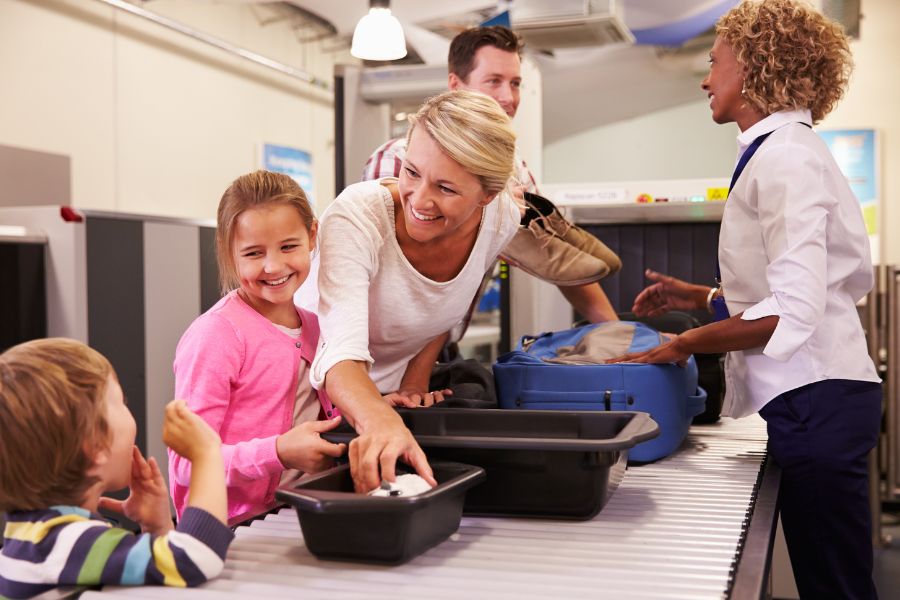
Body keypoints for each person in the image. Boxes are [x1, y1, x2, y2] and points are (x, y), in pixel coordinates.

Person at [611, 1, 881, 598]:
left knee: (834, 587)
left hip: (819, 398)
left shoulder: (786, 156)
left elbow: (794, 308)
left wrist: (684, 342)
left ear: (755, 66)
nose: (705, 78)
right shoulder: (778, 150)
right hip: (820, 398)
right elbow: (790, 291)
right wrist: (704, 296)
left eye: (713, 62)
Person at [302, 90, 524, 493]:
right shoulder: (358, 218)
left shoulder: (502, 217)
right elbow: (340, 357)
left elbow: (445, 302)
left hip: (384, 408)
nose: (419, 200)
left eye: (446, 188)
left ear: (487, 196)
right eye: (411, 172)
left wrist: (415, 382)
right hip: (308, 406)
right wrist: (381, 421)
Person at [363, 25, 620, 322]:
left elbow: (557, 259)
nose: (508, 97)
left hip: (442, 335)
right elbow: (393, 264)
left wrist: (620, 333)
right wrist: (491, 215)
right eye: (494, 81)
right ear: (456, 86)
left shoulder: (514, 167)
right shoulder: (398, 157)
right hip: (383, 335)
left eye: (515, 83)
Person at [171, 171, 346, 523]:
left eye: (288, 246)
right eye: (253, 253)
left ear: (312, 236)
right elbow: (187, 463)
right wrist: (279, 452)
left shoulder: (314, 325)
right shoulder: (216, 335)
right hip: (231, 529)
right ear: (227, 250)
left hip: (300, 514)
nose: (273, 266)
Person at [0, 338, 233, 598]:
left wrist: (157, 528)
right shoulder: (61, 542)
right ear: (96, 446)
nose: (127, 408)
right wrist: (207, 455)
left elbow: (159, 576)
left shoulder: (36, 534)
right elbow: (195, 559)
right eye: (122, 401)